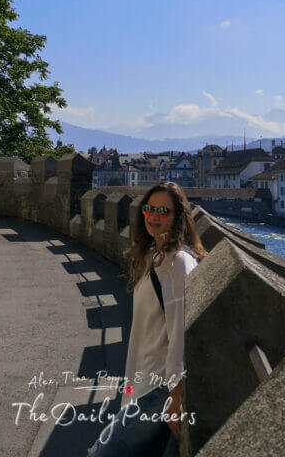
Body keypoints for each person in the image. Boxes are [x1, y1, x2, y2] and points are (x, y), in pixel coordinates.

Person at [86, 182, 207, 457]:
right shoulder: (156, 256)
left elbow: (180, 333)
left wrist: (175, 398)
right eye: (149, 209)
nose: (154, 216)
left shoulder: (178, 262)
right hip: (141, 385)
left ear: (178, 217)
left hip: (159, 390)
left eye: (163, 211)